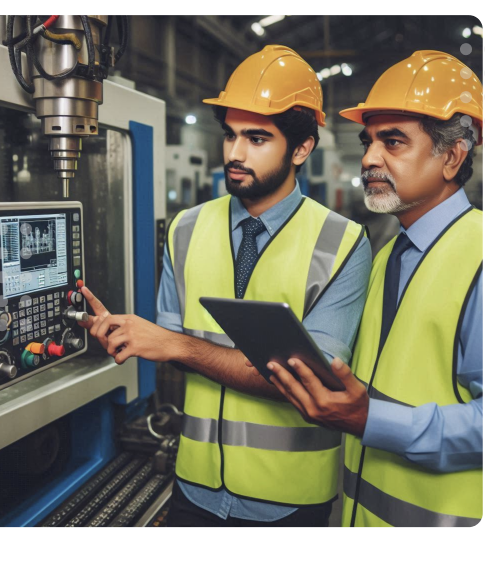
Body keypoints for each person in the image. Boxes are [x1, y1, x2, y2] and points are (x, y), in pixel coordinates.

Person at [80, 45, 371, 528]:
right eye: (231, 135)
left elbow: (309, 380)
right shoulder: (185, 229)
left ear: (301, 148)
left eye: (257, 138)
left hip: (288, 499)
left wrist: (173, 343)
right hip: (193, 488)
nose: (235, 153)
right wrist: (130, 335)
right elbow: (166, 349)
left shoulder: (342, 242)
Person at [261, 50, 484, 528]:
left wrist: (369, 420)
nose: (368, 159)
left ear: (453, 156)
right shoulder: (389, 255)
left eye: (394, 142)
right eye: (368, 141)